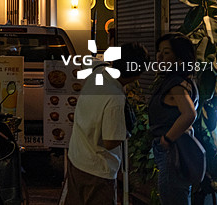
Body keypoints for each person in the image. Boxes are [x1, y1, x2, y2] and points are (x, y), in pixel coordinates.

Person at [64, 42, 149, 204]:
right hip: (97, 171)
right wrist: (127, 131)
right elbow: (110, 142)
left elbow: (87, 61)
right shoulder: (115, 99)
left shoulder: (98, 72)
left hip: (77, 159)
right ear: (137, 75)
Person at [149, 32, 198, 205]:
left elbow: (189, 113)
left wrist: (166, 139)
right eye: (159, 51)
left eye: (167, 52)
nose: (159, 56)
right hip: (177, 151)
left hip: (172, 152)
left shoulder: (176, 85)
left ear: (179, 59)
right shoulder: (181, 81)